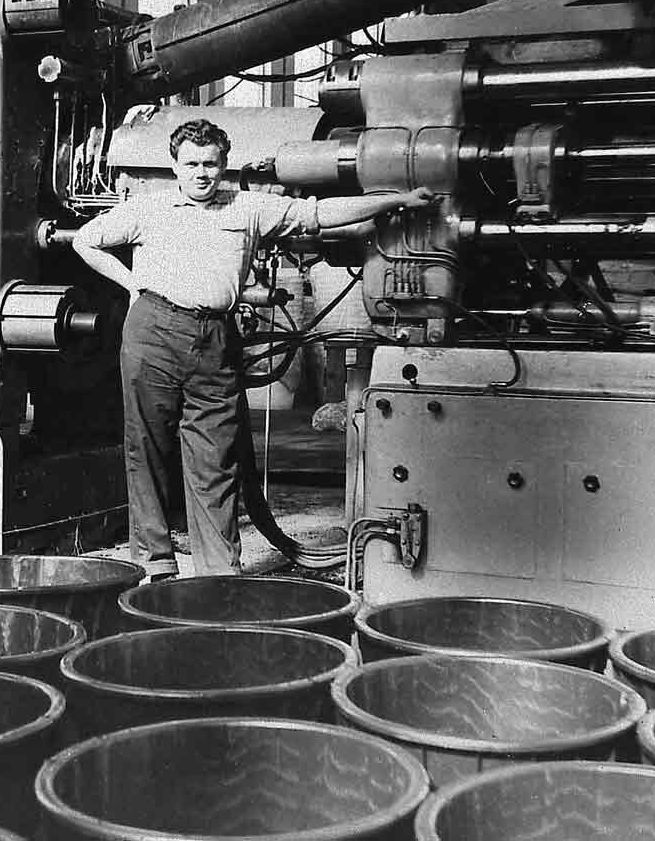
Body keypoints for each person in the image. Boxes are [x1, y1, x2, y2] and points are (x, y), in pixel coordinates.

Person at [72, 117, 433, 579]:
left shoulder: (248, 207)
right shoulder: (150, 208)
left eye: (210, 164)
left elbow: (319, 213)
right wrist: (130, 284)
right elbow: (87, 239)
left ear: (224, 164)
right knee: (148, 447)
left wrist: (396, 200)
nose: (201, 173)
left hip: (216, 339)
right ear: (175, 165)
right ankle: (155, 562)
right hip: (153, 331)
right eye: (191, 164)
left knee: (216, 455)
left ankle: (219, 569)